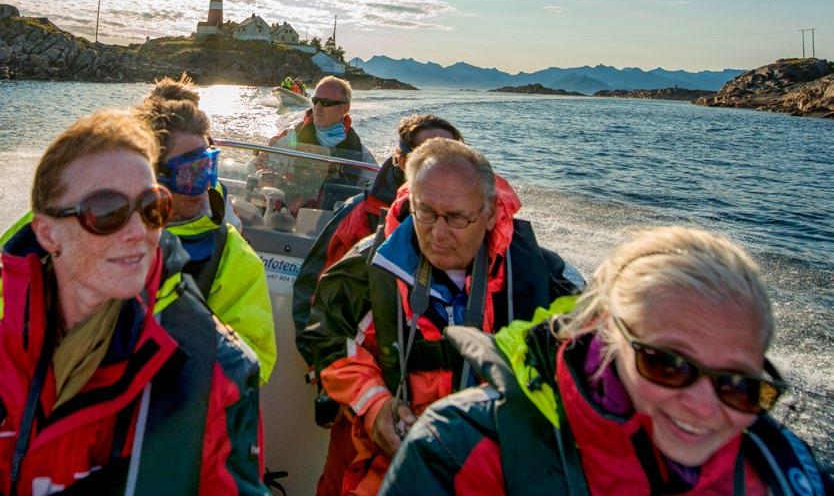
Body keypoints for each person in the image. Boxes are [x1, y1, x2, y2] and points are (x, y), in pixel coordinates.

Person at [380, 225, 831, 496]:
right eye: (668, 364)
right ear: (602, 331)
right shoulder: (460, 446)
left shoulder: (787, 472)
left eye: (740, 386)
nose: (704, 406)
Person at [0, 110, 268, 494]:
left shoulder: (216, 370)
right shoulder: (8, 345)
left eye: (152, 207)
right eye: (107, 212)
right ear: (47, 232)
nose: (139, 232)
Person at [300, 138, 583, 496]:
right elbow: (331, 339)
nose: (438, 233)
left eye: (456, 218)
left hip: (496, 477)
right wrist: (375, 406)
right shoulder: (370, 268)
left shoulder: (545, 279)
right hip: (389, 470)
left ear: (491, 211)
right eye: (426, 213)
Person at [292, 115, 465, 496]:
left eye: (449, 154)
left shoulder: (480, 239)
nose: (436, 165)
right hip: (356, 405)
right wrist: (326, 378)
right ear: (400, 159)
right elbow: (313, 296)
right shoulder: (360, 217)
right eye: (424, 153)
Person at [139, 76, 276, 384]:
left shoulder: (231, 255)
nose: (205, 188)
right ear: (151, 176)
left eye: (209, 168)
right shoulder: (85, 224)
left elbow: (253, 364)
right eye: (192, 174)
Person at [265, 75, 377, 191]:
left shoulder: (359, 152)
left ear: (344, 109)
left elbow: (374, 187)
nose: (318, 107)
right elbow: (264, 165)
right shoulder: (292, 137)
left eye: (326, 102)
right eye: (315, 101)